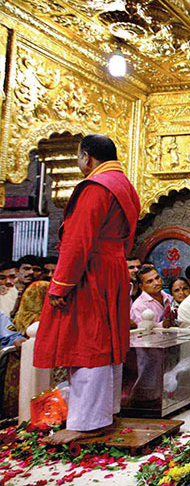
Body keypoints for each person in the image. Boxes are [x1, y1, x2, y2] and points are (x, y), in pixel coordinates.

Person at [33, 133, 140, 444]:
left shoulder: (95, 187)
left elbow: (77, 242)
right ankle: (106, 413)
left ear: (86, 158)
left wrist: (60, 286)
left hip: (90, 271)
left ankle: (86, 422)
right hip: (113, 267)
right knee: (107, 342)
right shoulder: (124, 186)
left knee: (87, 343)